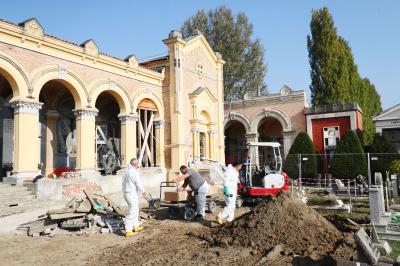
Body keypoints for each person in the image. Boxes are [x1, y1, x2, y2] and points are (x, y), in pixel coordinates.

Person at [122, 158, 147, 237]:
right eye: (138, 164)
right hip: (131, 194)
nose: (139, 165)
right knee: (132, 211)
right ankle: (128, 231)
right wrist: (143, 191)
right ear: (136, 164)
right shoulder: (134, 172)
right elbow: (138, 182)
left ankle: (136, 226)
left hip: (127, 193)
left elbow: (123, 182)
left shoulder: (126, 172)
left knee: (136, 209)